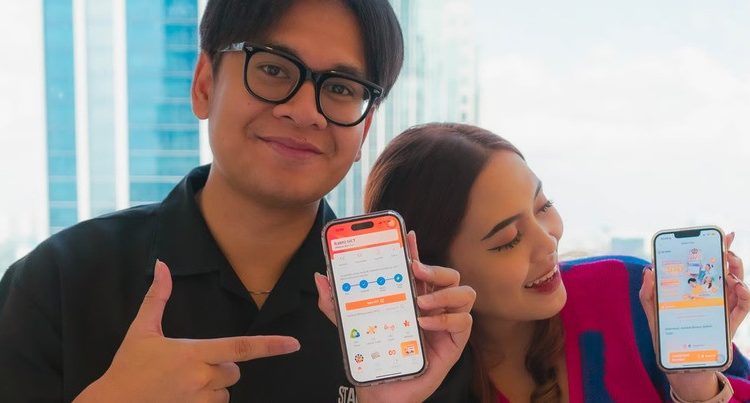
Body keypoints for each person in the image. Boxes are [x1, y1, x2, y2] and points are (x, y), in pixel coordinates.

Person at [0, 2, 475, 402]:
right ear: (204, 85)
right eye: (273, 69)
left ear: (363, 130)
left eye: (340, 89)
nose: (305, 112)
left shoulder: (411, 325)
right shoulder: (57, 282)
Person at [361, 122, 750, 402]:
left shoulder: (630, 291)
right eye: (508, 240)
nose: (547, 241)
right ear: (430, 273)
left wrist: (697, 388)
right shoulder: (405, 378)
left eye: (543, 206)